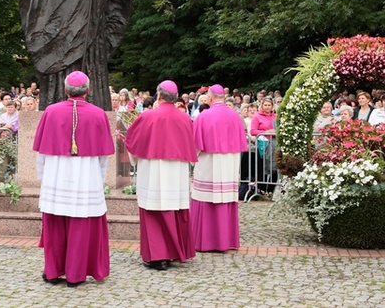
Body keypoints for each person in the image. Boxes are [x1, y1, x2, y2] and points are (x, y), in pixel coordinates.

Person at [33, 71, 114, 287]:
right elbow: (103, 156)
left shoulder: (51, 111)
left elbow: (41, 151)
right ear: (88, 90)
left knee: (55, 224)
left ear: (66, 90)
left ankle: (52, 272)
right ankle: (75, 274)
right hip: (87, 176)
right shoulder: (99, 114)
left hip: (56, 175)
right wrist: (99, 178)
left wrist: (43, 177)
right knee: (81, 224)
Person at [125, 80, 197, 270]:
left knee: (153, 211)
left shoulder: (148, 116)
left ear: (158, 95)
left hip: (153, 170)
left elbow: (131, 141)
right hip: (177, 172)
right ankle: (175, 252)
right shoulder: (184, 118)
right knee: (175, 211)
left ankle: (157, 256)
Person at [190, 84, 248, 252]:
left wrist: (193, 159)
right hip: (229, 163)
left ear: (210, 97)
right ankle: (226, 241)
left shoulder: (204, 116)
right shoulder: (235, 116)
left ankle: (203, 241)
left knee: (206, 197)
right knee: (226, 198)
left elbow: (196, 146)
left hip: (209, 162)